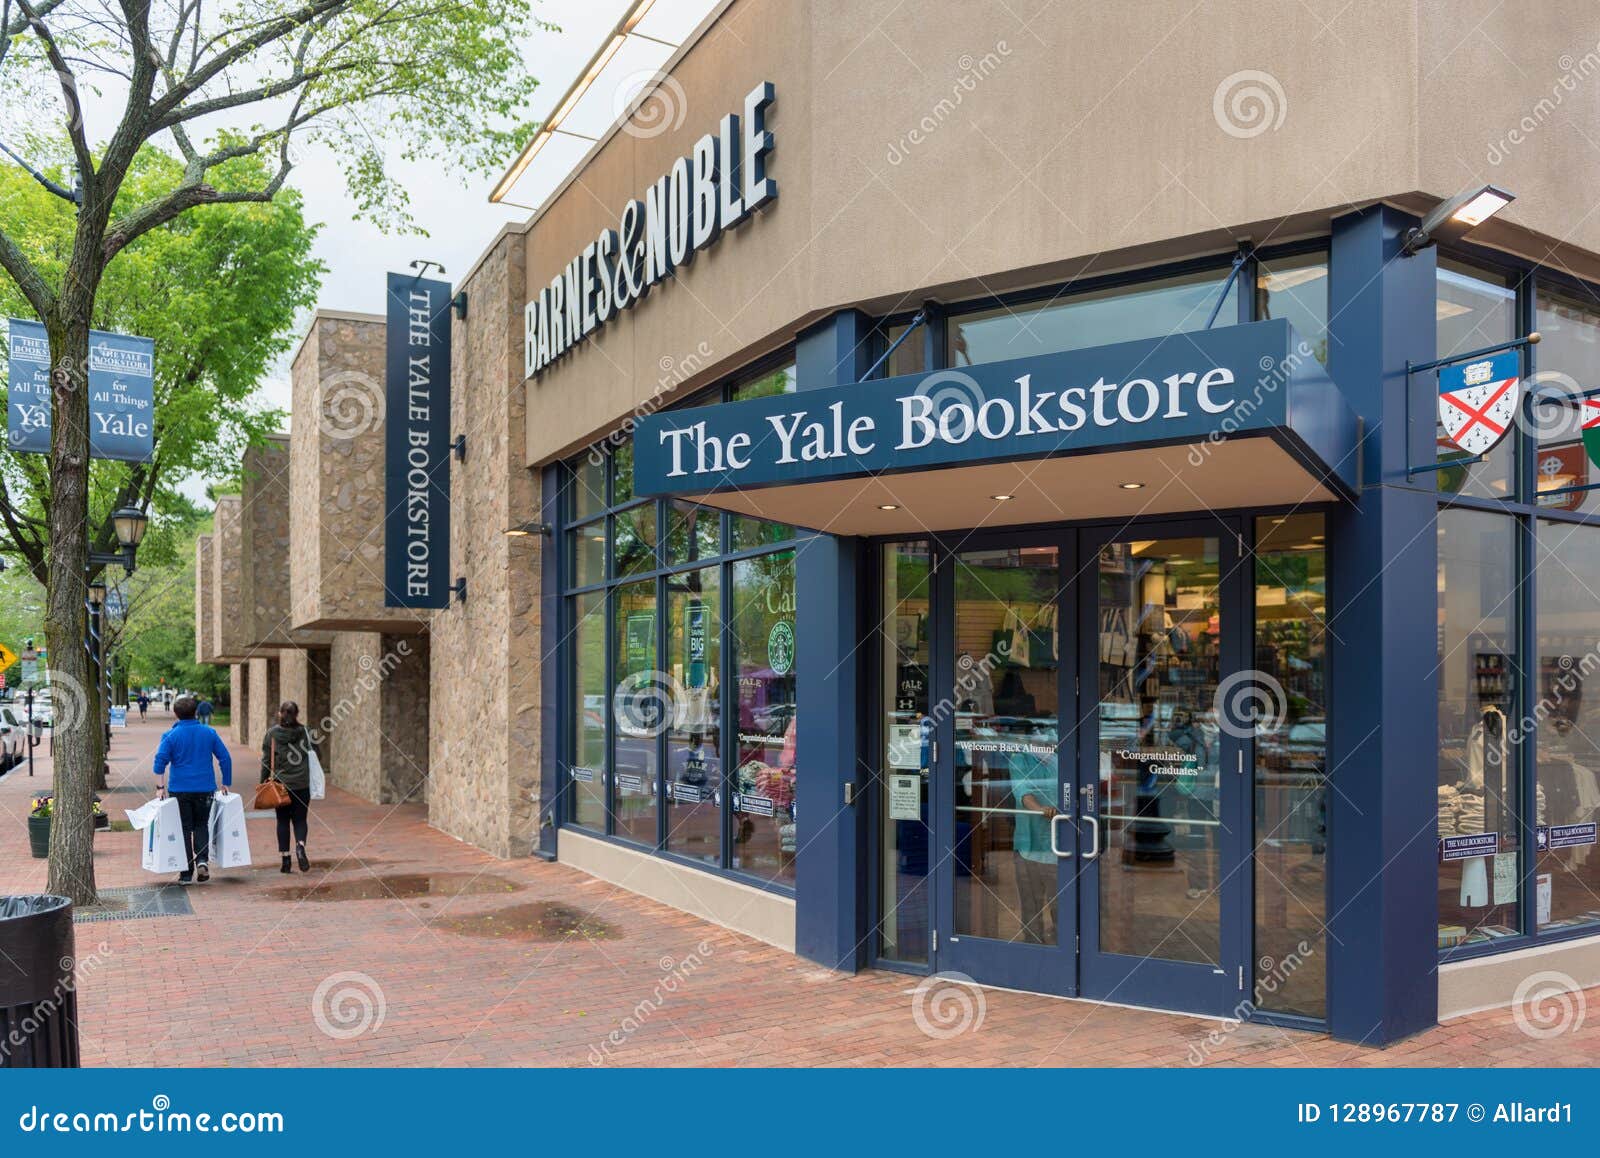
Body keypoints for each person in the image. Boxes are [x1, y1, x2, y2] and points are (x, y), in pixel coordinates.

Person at [152, 694, 233, 885]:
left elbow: (159, 763)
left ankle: (186, 873)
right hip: (205, 788)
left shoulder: (170, 736)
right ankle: (202, 861)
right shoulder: (209, 733)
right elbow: (225, 758)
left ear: (176, 714)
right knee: (201, 824)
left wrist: (160, 787)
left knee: (184, 829)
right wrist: (226, 782)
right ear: (196, 712)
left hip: (180, 789)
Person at [260, 700, 315, 873]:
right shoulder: (306, 732)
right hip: (302, 784)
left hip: (280, 785)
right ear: (297, 714)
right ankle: (300, 846)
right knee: (300, 819)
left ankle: (285, 860)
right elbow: (315, 754)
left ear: (280, 713)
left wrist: (263, 781)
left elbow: (267, 761)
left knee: (282, 820)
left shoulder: (272, 734)